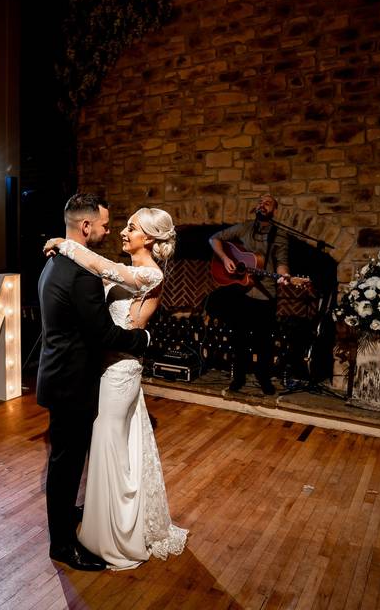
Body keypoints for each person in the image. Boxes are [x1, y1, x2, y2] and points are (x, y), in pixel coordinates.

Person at [44, 207, 188, 570]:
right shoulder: (121, 267)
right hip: (103, 368)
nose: (122, 232)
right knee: (111, 448)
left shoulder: (148, 274)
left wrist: (64, 243)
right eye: (121, 226)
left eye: (131, 228)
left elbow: (105, 271)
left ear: (150, 239)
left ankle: (111, 532)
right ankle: (105, 519)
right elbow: (100, 268)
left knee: (110, 447)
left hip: (120, 369)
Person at [36, 193, 151, 571]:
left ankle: (66, 519)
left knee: (66, 461)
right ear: (85, 226)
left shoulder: (55, 264)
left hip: (58, 374)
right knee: (67, 465)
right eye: (103, 224)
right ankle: (62, 545)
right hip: (72, 382)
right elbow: (103, 334)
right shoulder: (80, 273)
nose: (107, 230)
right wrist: (143, 341)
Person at [208, 193, 291, 395]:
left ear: (274, 210)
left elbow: (281, 263)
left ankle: (263, 378)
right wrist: (226, 258)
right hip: (242, 292)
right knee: (239, 337)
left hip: (266, 294)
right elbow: (214, 239)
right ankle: (239, 377)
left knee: (264, 341)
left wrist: (285, 276)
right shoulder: (244, 227)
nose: (262, 205)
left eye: (268, 203)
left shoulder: (280, 235)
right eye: (260, 202)